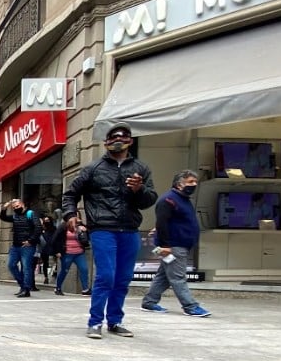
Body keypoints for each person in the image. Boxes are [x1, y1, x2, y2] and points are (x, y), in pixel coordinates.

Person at [62, 122, 157, 339]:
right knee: (106, 276)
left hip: (130, 230)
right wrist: (70, 215)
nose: (117, 141)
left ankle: (115, 320)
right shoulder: (92, 169)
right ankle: (95, 322)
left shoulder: (141, 169)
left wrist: (138, 189)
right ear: (105, 143)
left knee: (123, 278)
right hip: (102, 229)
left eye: (122, 138)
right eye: (112, 138)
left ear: (130, 141)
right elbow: (71, 194)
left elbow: (149, 200)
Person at [141, 170, 211, 317]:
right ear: (179, 184)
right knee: (178, 277)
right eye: (190, 182)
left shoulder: (183, 199)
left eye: (195, 182)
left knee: (164, 276)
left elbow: (169, 221)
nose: (194, 185)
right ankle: (190, 306)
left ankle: (149, 302)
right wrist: (166, 246)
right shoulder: (168, 200)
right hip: (173, 246)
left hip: (177, 245)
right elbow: (162, 221)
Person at [0, 198, 40, 298]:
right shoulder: (15, 216)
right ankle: (23, 286)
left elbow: (38, 227)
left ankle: (26, 289)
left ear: (22, 205)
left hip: (27, 246)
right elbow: (3, 217)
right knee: (11, 265)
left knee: (26, 268)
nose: (16, 208)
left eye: (17, 206)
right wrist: (4, 208)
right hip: (16, 245)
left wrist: (30, 241)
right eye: (14, 207)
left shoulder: (30, 214)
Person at [50, 218, 91, 296]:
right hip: (67, 253)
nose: (78, 220)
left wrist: (86, 231)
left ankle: (85, 289)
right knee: (64, 271)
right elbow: (54, 239)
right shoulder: (63, 227)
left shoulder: (81, 227)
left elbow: (87, 238)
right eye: (76, 219)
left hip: (79, 252)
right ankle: (58, 287)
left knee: (84, 269)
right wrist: (57, 251)